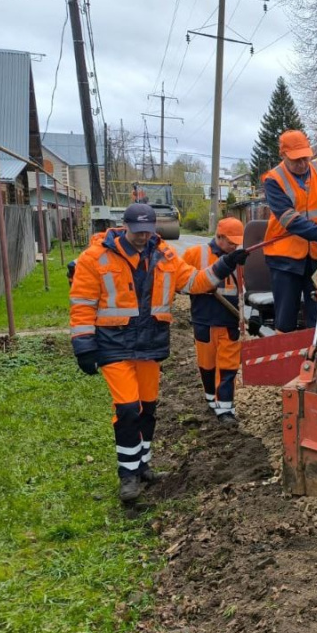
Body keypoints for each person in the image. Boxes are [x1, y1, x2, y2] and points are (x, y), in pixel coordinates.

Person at [69, 203, 250, 504]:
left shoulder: (164, 256)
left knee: (148, 409)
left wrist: (227, 262)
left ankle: (143, 466)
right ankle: (127, 476)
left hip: (150, 345)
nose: (142, 237)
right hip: (114, 345)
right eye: (137, 231)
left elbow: (195, 282)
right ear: (125, 226)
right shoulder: (96, 257)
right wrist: (84, 345)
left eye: (147, 231)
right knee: (127, 408)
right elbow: (83, 303)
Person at [261, 130, 317, 332]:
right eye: (296, 160)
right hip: (284, 257)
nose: (302, 163)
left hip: (316, 257)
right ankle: (286, 357)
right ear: (283, 155)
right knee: (286, 318)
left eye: (305, 157)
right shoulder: (273, 180)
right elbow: (288, 219)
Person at [182, 217, 244, 424]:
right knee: (206, 364)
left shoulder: (239, 259)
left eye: (238, 242)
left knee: (228, 366)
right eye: (231, 241)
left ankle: (225, 409)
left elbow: (246, 291)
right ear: (219, 237)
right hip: (204, 319)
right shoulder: (195, 254)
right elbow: (180, 283)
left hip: (230, 321)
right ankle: (211, 399)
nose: (235, 245)